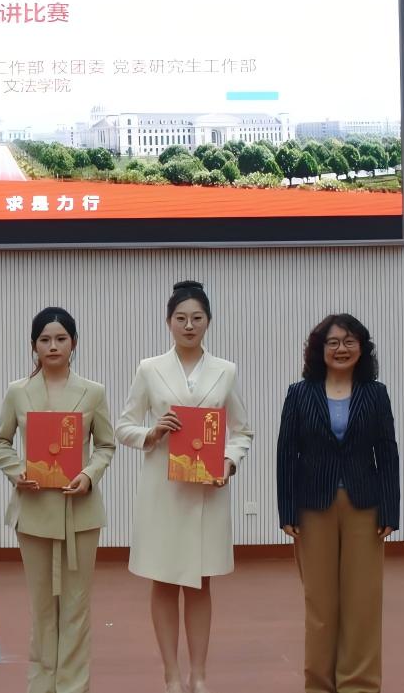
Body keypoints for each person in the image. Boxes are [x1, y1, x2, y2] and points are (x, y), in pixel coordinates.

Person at [115, 281, 254, 693]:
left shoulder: (225, 371)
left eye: (196, 318)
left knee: (201, 581)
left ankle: (200, 674)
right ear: (168, 322)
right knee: (163, 580)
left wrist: (228, 461)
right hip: (163, 491)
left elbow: (242, 431)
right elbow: (124, 425)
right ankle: (171, 675)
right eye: (181, 318)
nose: (189, 325)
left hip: (207, 490)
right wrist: (152, 431)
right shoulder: (149, 368)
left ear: (208, 321)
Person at [0, 306, 116, 693]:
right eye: (45, 339)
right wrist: (17, 472)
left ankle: (73, 686)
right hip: (34, 513)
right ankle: (41, 684)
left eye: (61, 338)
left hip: (81, 513)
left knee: (76, 606)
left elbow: (106, 445)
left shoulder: (93, 391)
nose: (53, 346)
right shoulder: (18, 391)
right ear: (34, 346)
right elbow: (0, 440)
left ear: (74, 343)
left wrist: (88, 476)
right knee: (43, 607)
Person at [276, 313, 400, 693]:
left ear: (361, 348)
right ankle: (319, 684)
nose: (341, 349)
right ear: (320, 349)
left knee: (363, 603)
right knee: (320, 604)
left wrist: (391, 509)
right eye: (333, 342)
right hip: (313, 506)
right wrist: (287, 510)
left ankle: (359, 684)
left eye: (349, 341)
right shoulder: (299, 394)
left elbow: (387, 452)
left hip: (365, 506)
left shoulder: (375, 393)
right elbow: (287, 453)